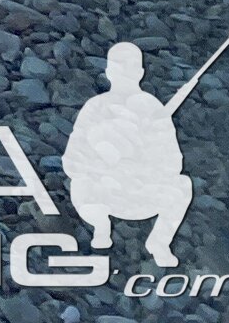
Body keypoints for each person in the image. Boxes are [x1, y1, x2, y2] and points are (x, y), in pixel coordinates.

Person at [64, 43, 196, 267]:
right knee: (80, 184)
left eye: (130, 68)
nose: (125, 74)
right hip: (101, 193)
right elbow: (72, 160)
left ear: (140, 73)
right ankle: (100, 227)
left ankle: (159, 243)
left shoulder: (154, 111)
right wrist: (102, 164)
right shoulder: (95, 107)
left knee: (182, 185)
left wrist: (140, 164)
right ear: (108, 72)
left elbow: (173, 163)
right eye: (119, 68)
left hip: (139, 193)